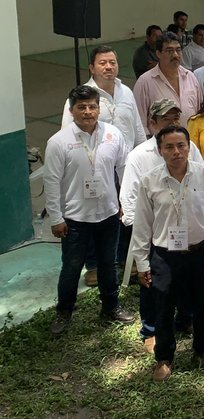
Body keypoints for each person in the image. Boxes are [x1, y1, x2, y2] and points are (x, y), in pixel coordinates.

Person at [130, 125, 204, 380]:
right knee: (163, 305)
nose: (176, 151)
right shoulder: (149, 181)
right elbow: (142, 224)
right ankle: (164, 357)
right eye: (169, 146)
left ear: (189, 147)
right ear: (160, 150)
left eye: (181, 145)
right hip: (164, 254)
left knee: (203, 303)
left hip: (199, 251)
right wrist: (143, 263)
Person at [44, 85, 133, 335]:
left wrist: (125, 203)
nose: (87, 112)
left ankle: (111, 306)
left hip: (108, 214)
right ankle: (64, 311)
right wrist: (56, 217)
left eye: (92, 106)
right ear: (72, 111)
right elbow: (51, 181)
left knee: (108, 263)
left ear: (99, 108)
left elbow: (123, 170)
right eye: (81, 107)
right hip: (74, 218)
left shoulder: (113, 135)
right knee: (72, 267)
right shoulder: (59, 142)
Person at [133, 32, 202, 132]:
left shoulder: (190, 77)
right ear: (158, 54)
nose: (175, 55)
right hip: (159, 144)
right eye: (169, 51)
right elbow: (139, 122)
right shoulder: (145, 81)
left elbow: (199, 113)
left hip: (189, 142)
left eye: (178, 50)